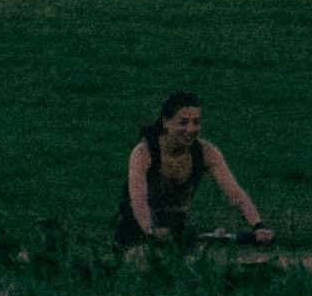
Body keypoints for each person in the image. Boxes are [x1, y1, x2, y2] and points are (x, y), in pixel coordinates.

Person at [116, 90, 271, 250]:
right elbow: (138, 201)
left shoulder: (206, 152)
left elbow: (236, 194)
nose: (190, 129)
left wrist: (258, 225)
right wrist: (151, 232)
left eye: (196, 122)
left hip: (175, 227)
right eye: (183, 123)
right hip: (135, 228)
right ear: (166, 123)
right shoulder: (143, 153)